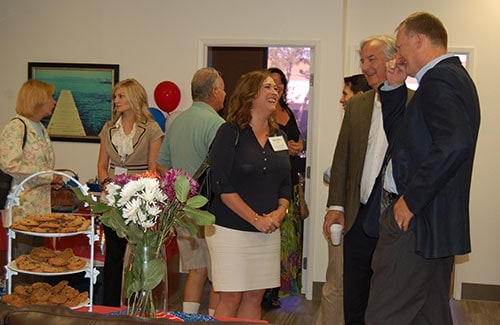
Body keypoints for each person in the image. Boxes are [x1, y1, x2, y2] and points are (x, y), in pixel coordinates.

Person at [365, 12, 480, 324]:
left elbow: (454, 145)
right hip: (432, 226)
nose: (398, 56)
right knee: (429, 316)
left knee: (383, 315)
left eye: (401, 46)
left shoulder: (440, 80)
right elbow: (404, 141)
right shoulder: (448, 78)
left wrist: (410, 200)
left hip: (415, 224)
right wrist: (394, 87)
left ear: (419, 40)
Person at [322, 35, 413, 325]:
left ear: (392, 60)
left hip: (397, 221)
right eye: (362, 60)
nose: (365, 66)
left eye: (371, 59)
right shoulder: (358, 106)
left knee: (389, 296)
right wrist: (335, 206)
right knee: (354, 296)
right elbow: (342, 160)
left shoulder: (416, 105)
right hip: (359, 220)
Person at [205, 70, 292, 320]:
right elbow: (221, 184)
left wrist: (279, 212)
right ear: (250, 95)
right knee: (231, 297)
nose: (275, 91)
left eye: (276, 88)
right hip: (230, 230)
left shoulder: (280, 136)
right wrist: (255, 219)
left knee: (255, 296)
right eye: (267, 87)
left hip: (268, 231)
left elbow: (285, 184)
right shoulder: (229, 132)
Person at [156, 67, 226, 315]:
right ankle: (211, 321)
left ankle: (188, 319)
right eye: (223, 88)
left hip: (181, 207)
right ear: (215, 92)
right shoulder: (218, 124)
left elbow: (161, 163)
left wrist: (179, 189)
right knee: (218, 275)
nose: (225, 94)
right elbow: (223, 170)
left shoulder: (177, 122)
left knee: (196, 270)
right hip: (210, 211)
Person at [97, 78, 163, 306]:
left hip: (139, 198)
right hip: (112, 197)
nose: (116, 101)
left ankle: (137, 306)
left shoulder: (152, 129)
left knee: (138, 256)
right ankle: (109, 307)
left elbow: (154, 169)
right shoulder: (108, 129)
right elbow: (101, 165)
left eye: (121, 96)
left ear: (135, 98)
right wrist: (107, 183)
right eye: (115, 97)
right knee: (113, 255)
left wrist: (132, 187)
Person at [315, 73, 370, 325]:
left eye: (345, 94)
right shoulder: (355, 123)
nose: (341, 100)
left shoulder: (375, 126)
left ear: (360, 96)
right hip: (343, 217)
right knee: (336, 283)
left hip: (358, 220)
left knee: (343, 284)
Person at [260, 67, 303, 310]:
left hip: (290, 183)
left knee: (287, 240)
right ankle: (265, 291)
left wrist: (298, 145)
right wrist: (286, 149)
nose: (276, 88)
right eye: (270, 84)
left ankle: (277, 290)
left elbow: (294, 139)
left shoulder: (287, 111)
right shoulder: (263, 114)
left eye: (279, 84)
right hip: (272, 186)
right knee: (272, 238)